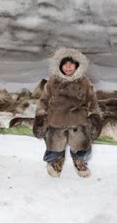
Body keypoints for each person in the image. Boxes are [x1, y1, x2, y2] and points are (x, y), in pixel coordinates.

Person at [33, 48, 102, 178]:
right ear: (60, 66)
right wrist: (40, 116)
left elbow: (92, 101)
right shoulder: (53, 81)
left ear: (77, 65)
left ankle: (79, 160)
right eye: (65, 64)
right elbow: (44, 100)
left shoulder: (84, 82)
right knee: (54, 143)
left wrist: (94, 117)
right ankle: (55, 160)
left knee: (81, 142)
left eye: (72, 64)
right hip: (56, 120)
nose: (68, 67)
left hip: (78, 120)